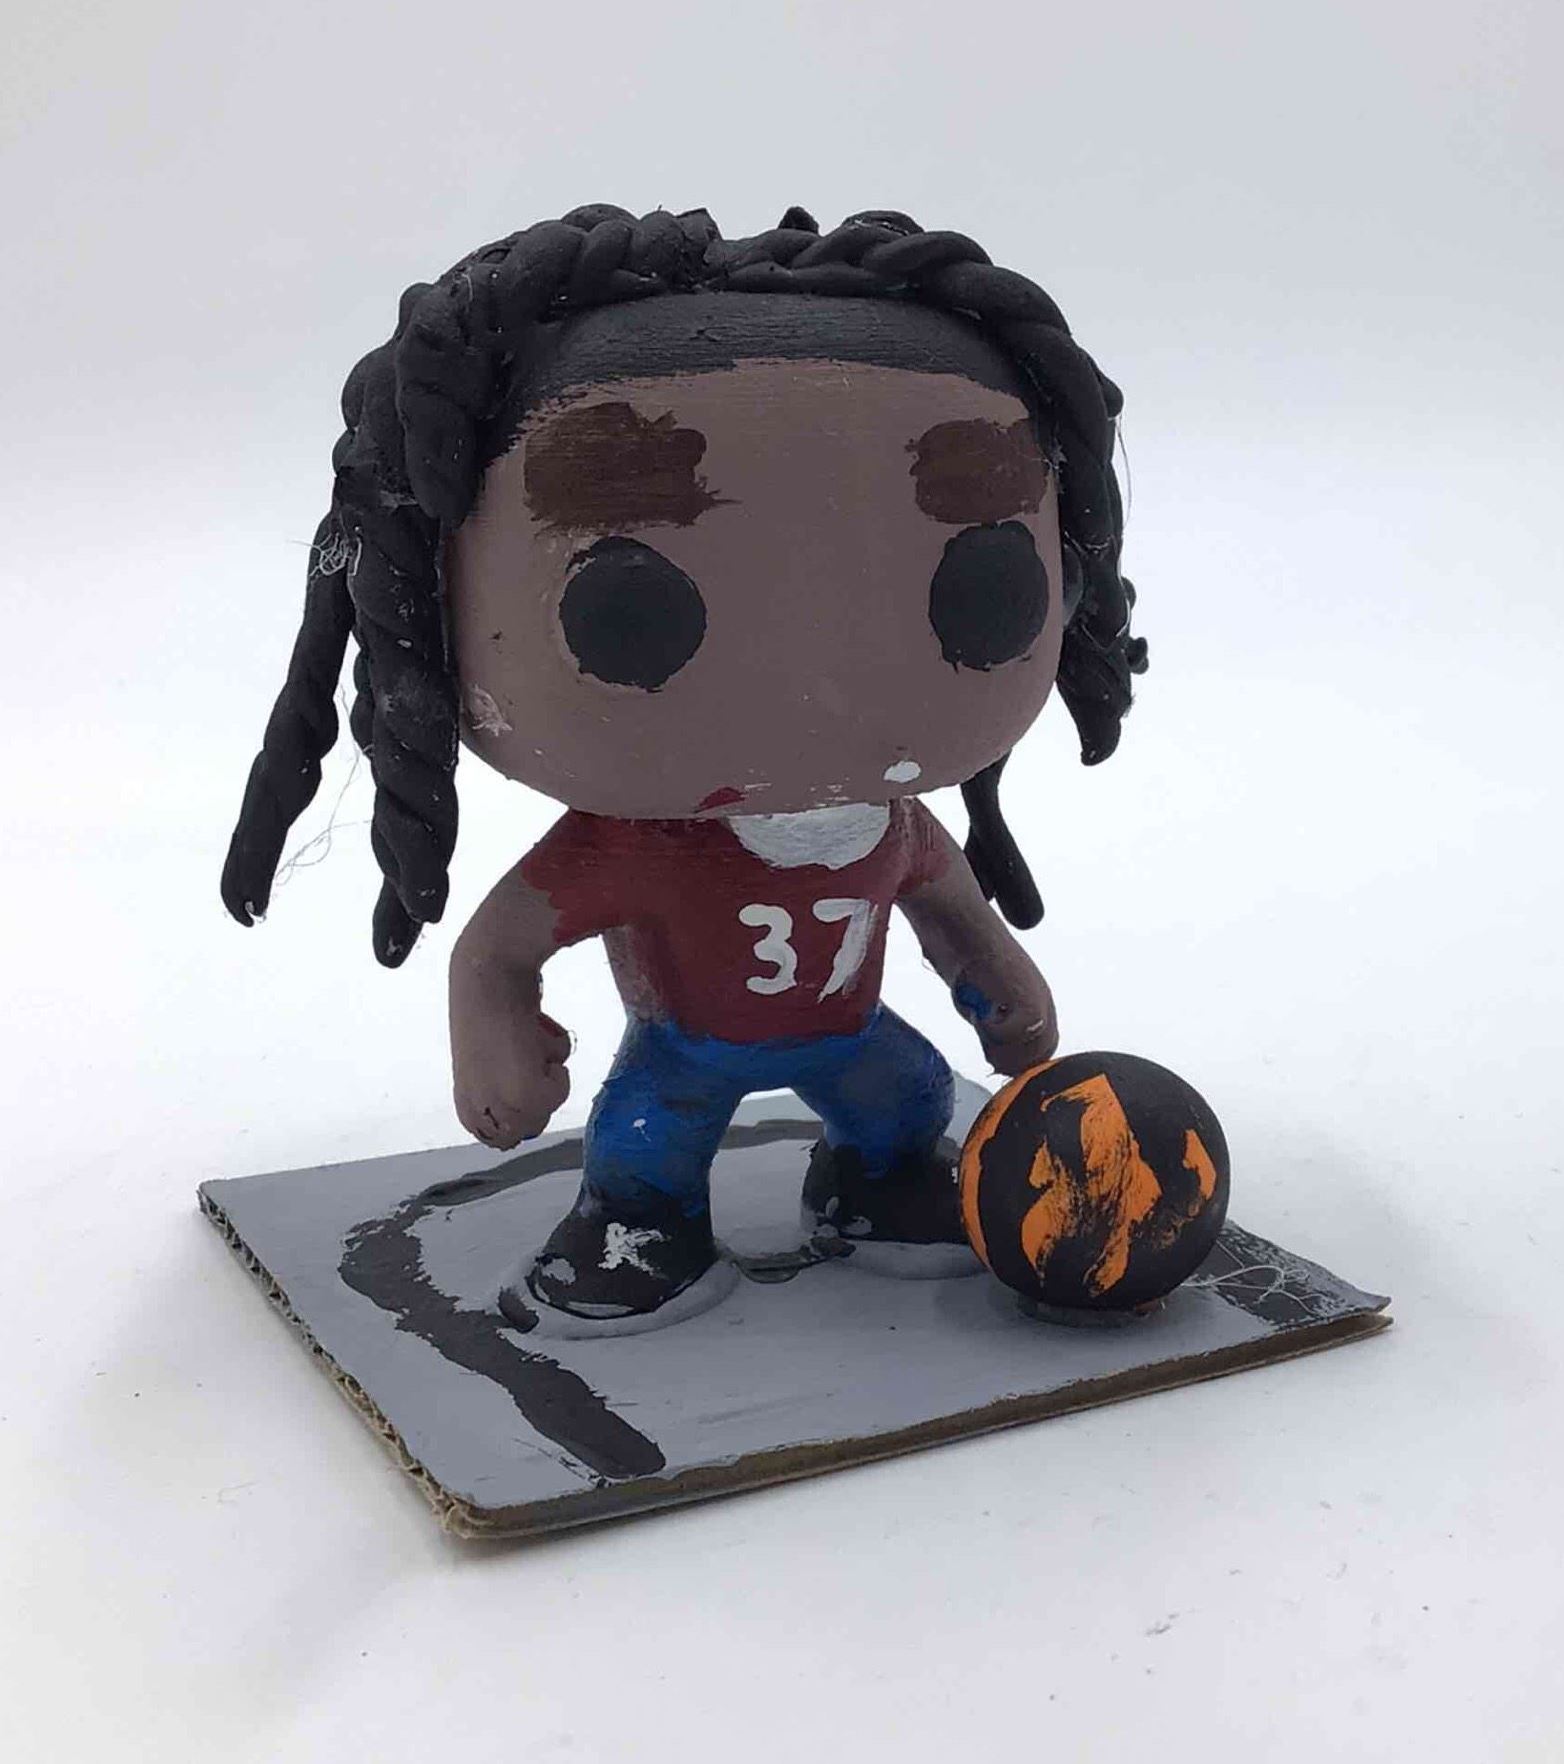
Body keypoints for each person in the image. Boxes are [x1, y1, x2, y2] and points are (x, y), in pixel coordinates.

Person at [222, 204, 1147, 1323]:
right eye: (630, 609)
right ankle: (637, 1226)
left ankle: (878, 1184)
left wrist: (1000, 978)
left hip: (848, 1035)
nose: (817, 684)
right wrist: (493, 1023)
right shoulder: (630, 847)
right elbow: (499, 946)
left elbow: (953, 911)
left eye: (984, 584)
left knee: (907, 1099)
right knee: (642, 1139)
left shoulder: (891, 827)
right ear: (429, 601)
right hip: (686, 1051)